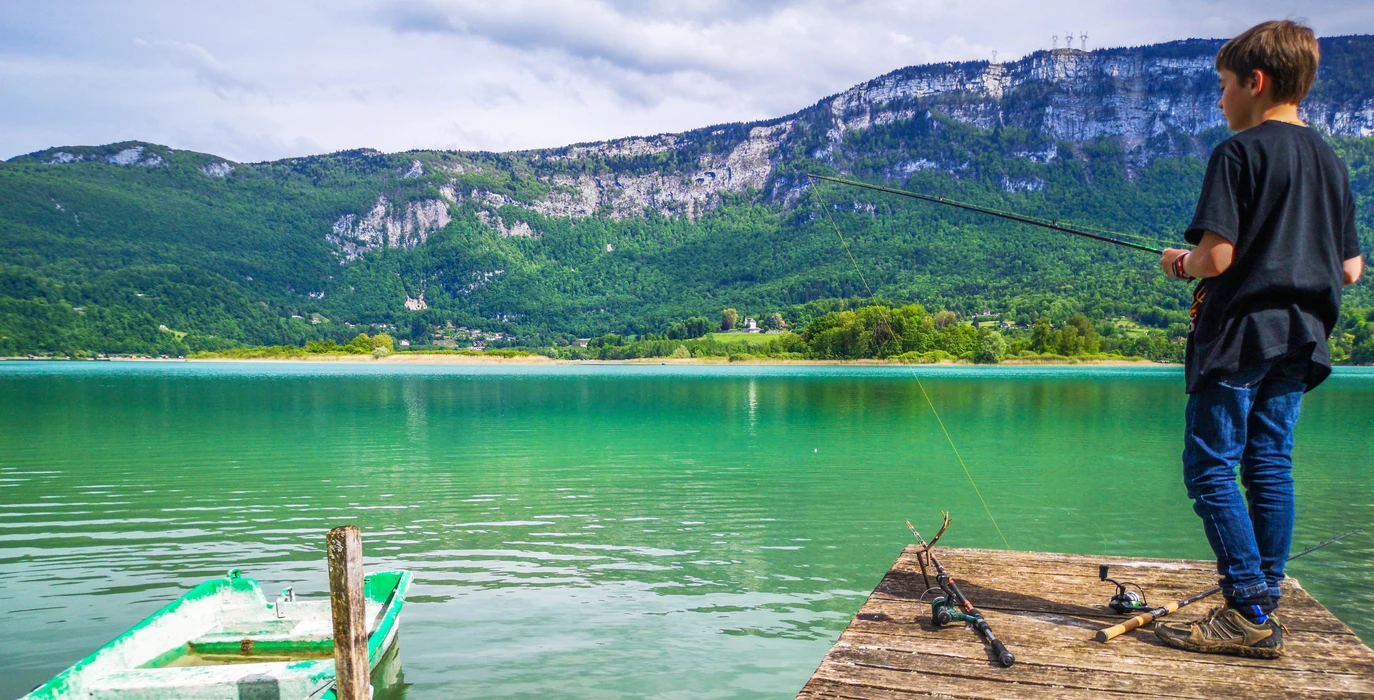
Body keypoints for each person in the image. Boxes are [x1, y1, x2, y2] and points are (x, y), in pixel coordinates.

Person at [1153, 19, 1364, 659]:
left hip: (1242, 334)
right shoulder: (1332, 161)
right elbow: (1352, 269)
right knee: (1269, 464)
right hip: (1305, 340)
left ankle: (1246, 605)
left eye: (1222, 87)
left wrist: (1176, 262)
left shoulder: (1238, 153)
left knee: (1210, 467)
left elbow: (1216, 256)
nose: (1219, 101)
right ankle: (1262, 602)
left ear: (1256, 81)